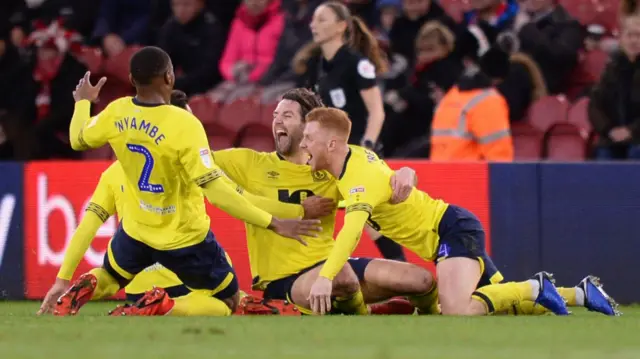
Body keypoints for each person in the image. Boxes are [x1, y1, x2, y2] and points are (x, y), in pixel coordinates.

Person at [51, 46, 320, 317]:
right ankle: (165, 306)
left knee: (111, 276)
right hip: (183, 238)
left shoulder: (116, 112)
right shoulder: (184, 125)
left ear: (132, 80)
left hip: (135, 233)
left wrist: (83, 102)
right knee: (227, 300)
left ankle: (90, 283)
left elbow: (78, 139)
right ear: (170, 77)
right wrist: (275, 221)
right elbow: (218, 192)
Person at [300, 107, 569, 316]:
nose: (303, 145)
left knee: (458, 310)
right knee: (504, 306)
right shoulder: (351, 160)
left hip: (450, 230)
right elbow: (384, 183)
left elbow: (352, 232)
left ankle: (536, 287)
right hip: (451, 227)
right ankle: (579, 295)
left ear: (332, 144)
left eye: (309, 138)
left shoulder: (359, 179)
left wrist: (325, 278)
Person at [206, 88, 438, 315]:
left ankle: (427, 316)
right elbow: (196, 159)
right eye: (276, 115)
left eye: (287, 116)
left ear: (309, 125)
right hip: (285, 279)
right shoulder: (248, 162)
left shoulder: (330, 166)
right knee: (343, 278)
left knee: (421, 280)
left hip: (332, 266)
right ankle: (363, 315)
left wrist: (407, 172)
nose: (277, 122)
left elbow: (371, 204)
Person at [295, 2, 405, 261]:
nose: (313, 25)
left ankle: (403, 273)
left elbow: (377, 111)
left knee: (372, 222)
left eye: (322, 20)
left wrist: (365, 148)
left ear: (341, 26)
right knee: (312, 211)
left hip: (353, 155)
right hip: (326, 158)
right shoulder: (316, 65)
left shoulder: (357, 64)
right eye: (313, 19)